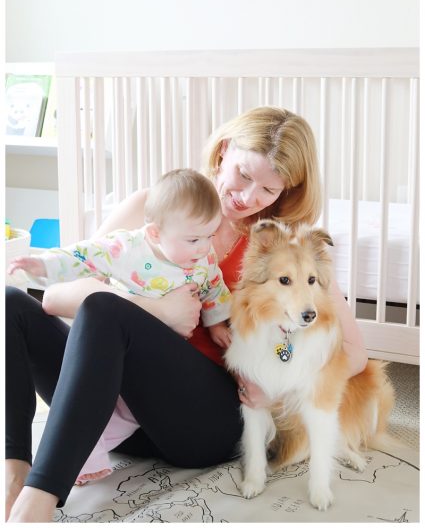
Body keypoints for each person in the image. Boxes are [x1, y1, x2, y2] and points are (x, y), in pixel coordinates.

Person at [6, 106, 367, 522]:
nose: (248, 197)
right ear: (224, 151)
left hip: (203, 421)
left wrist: (280, 391)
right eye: (243, 175)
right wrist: (157, 310)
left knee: (106, 308)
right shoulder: (152, 208)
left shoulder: (282, 248)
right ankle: (14, 470)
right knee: (12, 304)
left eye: (268, 190)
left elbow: (353, 351)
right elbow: (56, 296)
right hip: (112, 410)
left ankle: (38, 503)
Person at [8, 168, 232, 486]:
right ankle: (18, 467)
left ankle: (84, 455)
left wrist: (217, 323)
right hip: (111, 350)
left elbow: (215, 290)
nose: (204, 248)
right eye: (194, 240)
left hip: (158, 377)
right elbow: (83, 256)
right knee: (11, 301)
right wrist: (41, 264)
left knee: (123, 412)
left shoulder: (203, 261)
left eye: (210, 236)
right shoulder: (128, 249)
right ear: (155, 233)